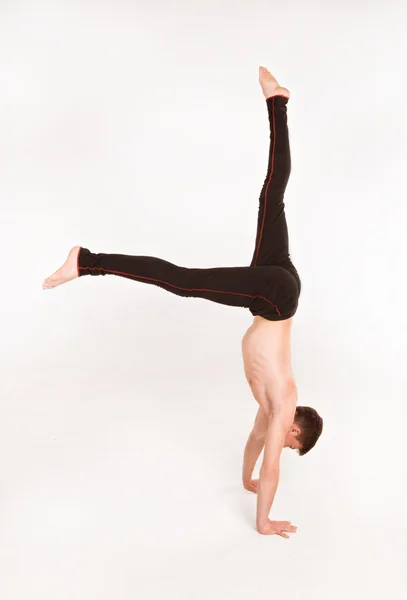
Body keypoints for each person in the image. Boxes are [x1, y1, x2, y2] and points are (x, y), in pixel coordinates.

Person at [43, 66, 323, 537]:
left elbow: (257, 445)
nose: (283, 447)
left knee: (271, 199)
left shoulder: (271, 410)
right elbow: (272, 462)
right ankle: (87, 261)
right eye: (292, 446)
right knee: (185, 282)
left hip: (279, 292)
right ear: (296, 432)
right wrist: (265, 521)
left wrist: (244, 479)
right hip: (276, 298)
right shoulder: (284, 402)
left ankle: (278, 102)